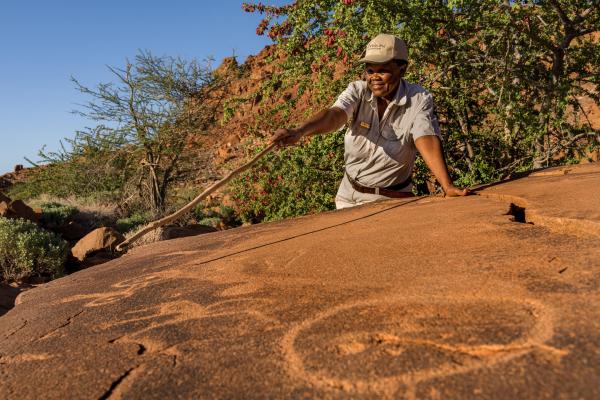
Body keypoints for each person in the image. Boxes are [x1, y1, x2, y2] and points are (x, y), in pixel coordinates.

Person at [271, 33, 470, 209]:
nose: (374, 77)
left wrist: (447, 185)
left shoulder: (419, 99)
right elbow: (335, 115)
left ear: (402, 69)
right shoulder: (357, 91)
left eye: (382, 70)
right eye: (370, 70)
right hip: (346, 199)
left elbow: (425, 136)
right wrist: (299, 131)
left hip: (391, 202)